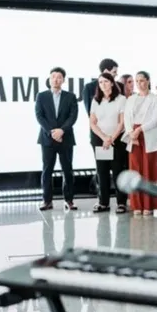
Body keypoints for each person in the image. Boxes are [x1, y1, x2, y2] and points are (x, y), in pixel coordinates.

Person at [35, 67, 78, 211]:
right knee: (47, 170)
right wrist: (52, 132)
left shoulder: (70, 96)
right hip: (47, 139)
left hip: (66, 138)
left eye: (59, 77)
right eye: (53, 76)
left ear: (63, 80)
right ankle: (47, 201)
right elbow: (39, 116)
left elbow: (73, 116)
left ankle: (69, 200)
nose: (55, 79)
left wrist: (61, 131)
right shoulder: (41, 96)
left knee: (67, 170)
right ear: (49, 79)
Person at [123, 71, 157, 215]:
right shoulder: (131, 99)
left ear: (148, 81)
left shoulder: (155, 98)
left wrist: (140, 129)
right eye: (137, 81)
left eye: (142, 80)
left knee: (149, 170)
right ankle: (137, 205)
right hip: (134, 136)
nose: (139, 83)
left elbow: (155, 119)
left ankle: (149, 205)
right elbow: (126, 118)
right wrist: (131, 132)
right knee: (135, 169)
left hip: (148, 134)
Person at [88, 72, 128, 214]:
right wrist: (104, 138)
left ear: (111, 82)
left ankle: (121, 202)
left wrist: (111, 138)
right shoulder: (96, 100)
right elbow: (93, 123)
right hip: (100, 139)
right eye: (100, 82)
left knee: (118, 171)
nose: (103, 85)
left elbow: (122, 122)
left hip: (117, 140)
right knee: (102, 172)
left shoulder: (121, 99)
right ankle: (103, 202)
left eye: (105, 81)